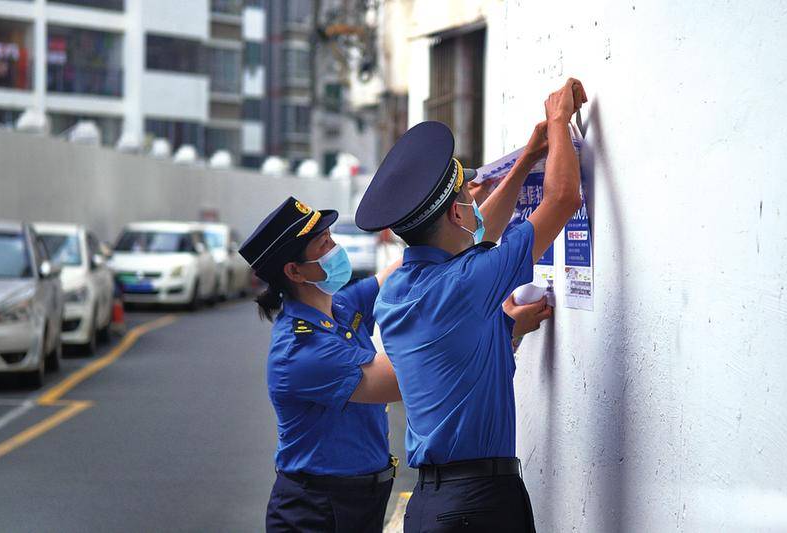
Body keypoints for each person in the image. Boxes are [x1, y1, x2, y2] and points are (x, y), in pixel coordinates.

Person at [354, 78, 587, 531]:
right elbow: (562, 199)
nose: (475, 207)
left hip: (428, 505)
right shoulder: (464, 283)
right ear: (459, 214)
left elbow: (478, 243)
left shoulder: (399, 291)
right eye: (468, 199)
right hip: (478, 507)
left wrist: (525, 162)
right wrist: (558, 121)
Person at [237, 197, 402, 532]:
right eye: (323, 244)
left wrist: (455, 216)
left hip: (360, 502)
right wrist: (500, 328)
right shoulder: (303, 350)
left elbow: (413, 265)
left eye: (331, 238)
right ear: (295, 271)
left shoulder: (339, 307)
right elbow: (408, 379)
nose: (335, 249)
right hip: (318, 513)